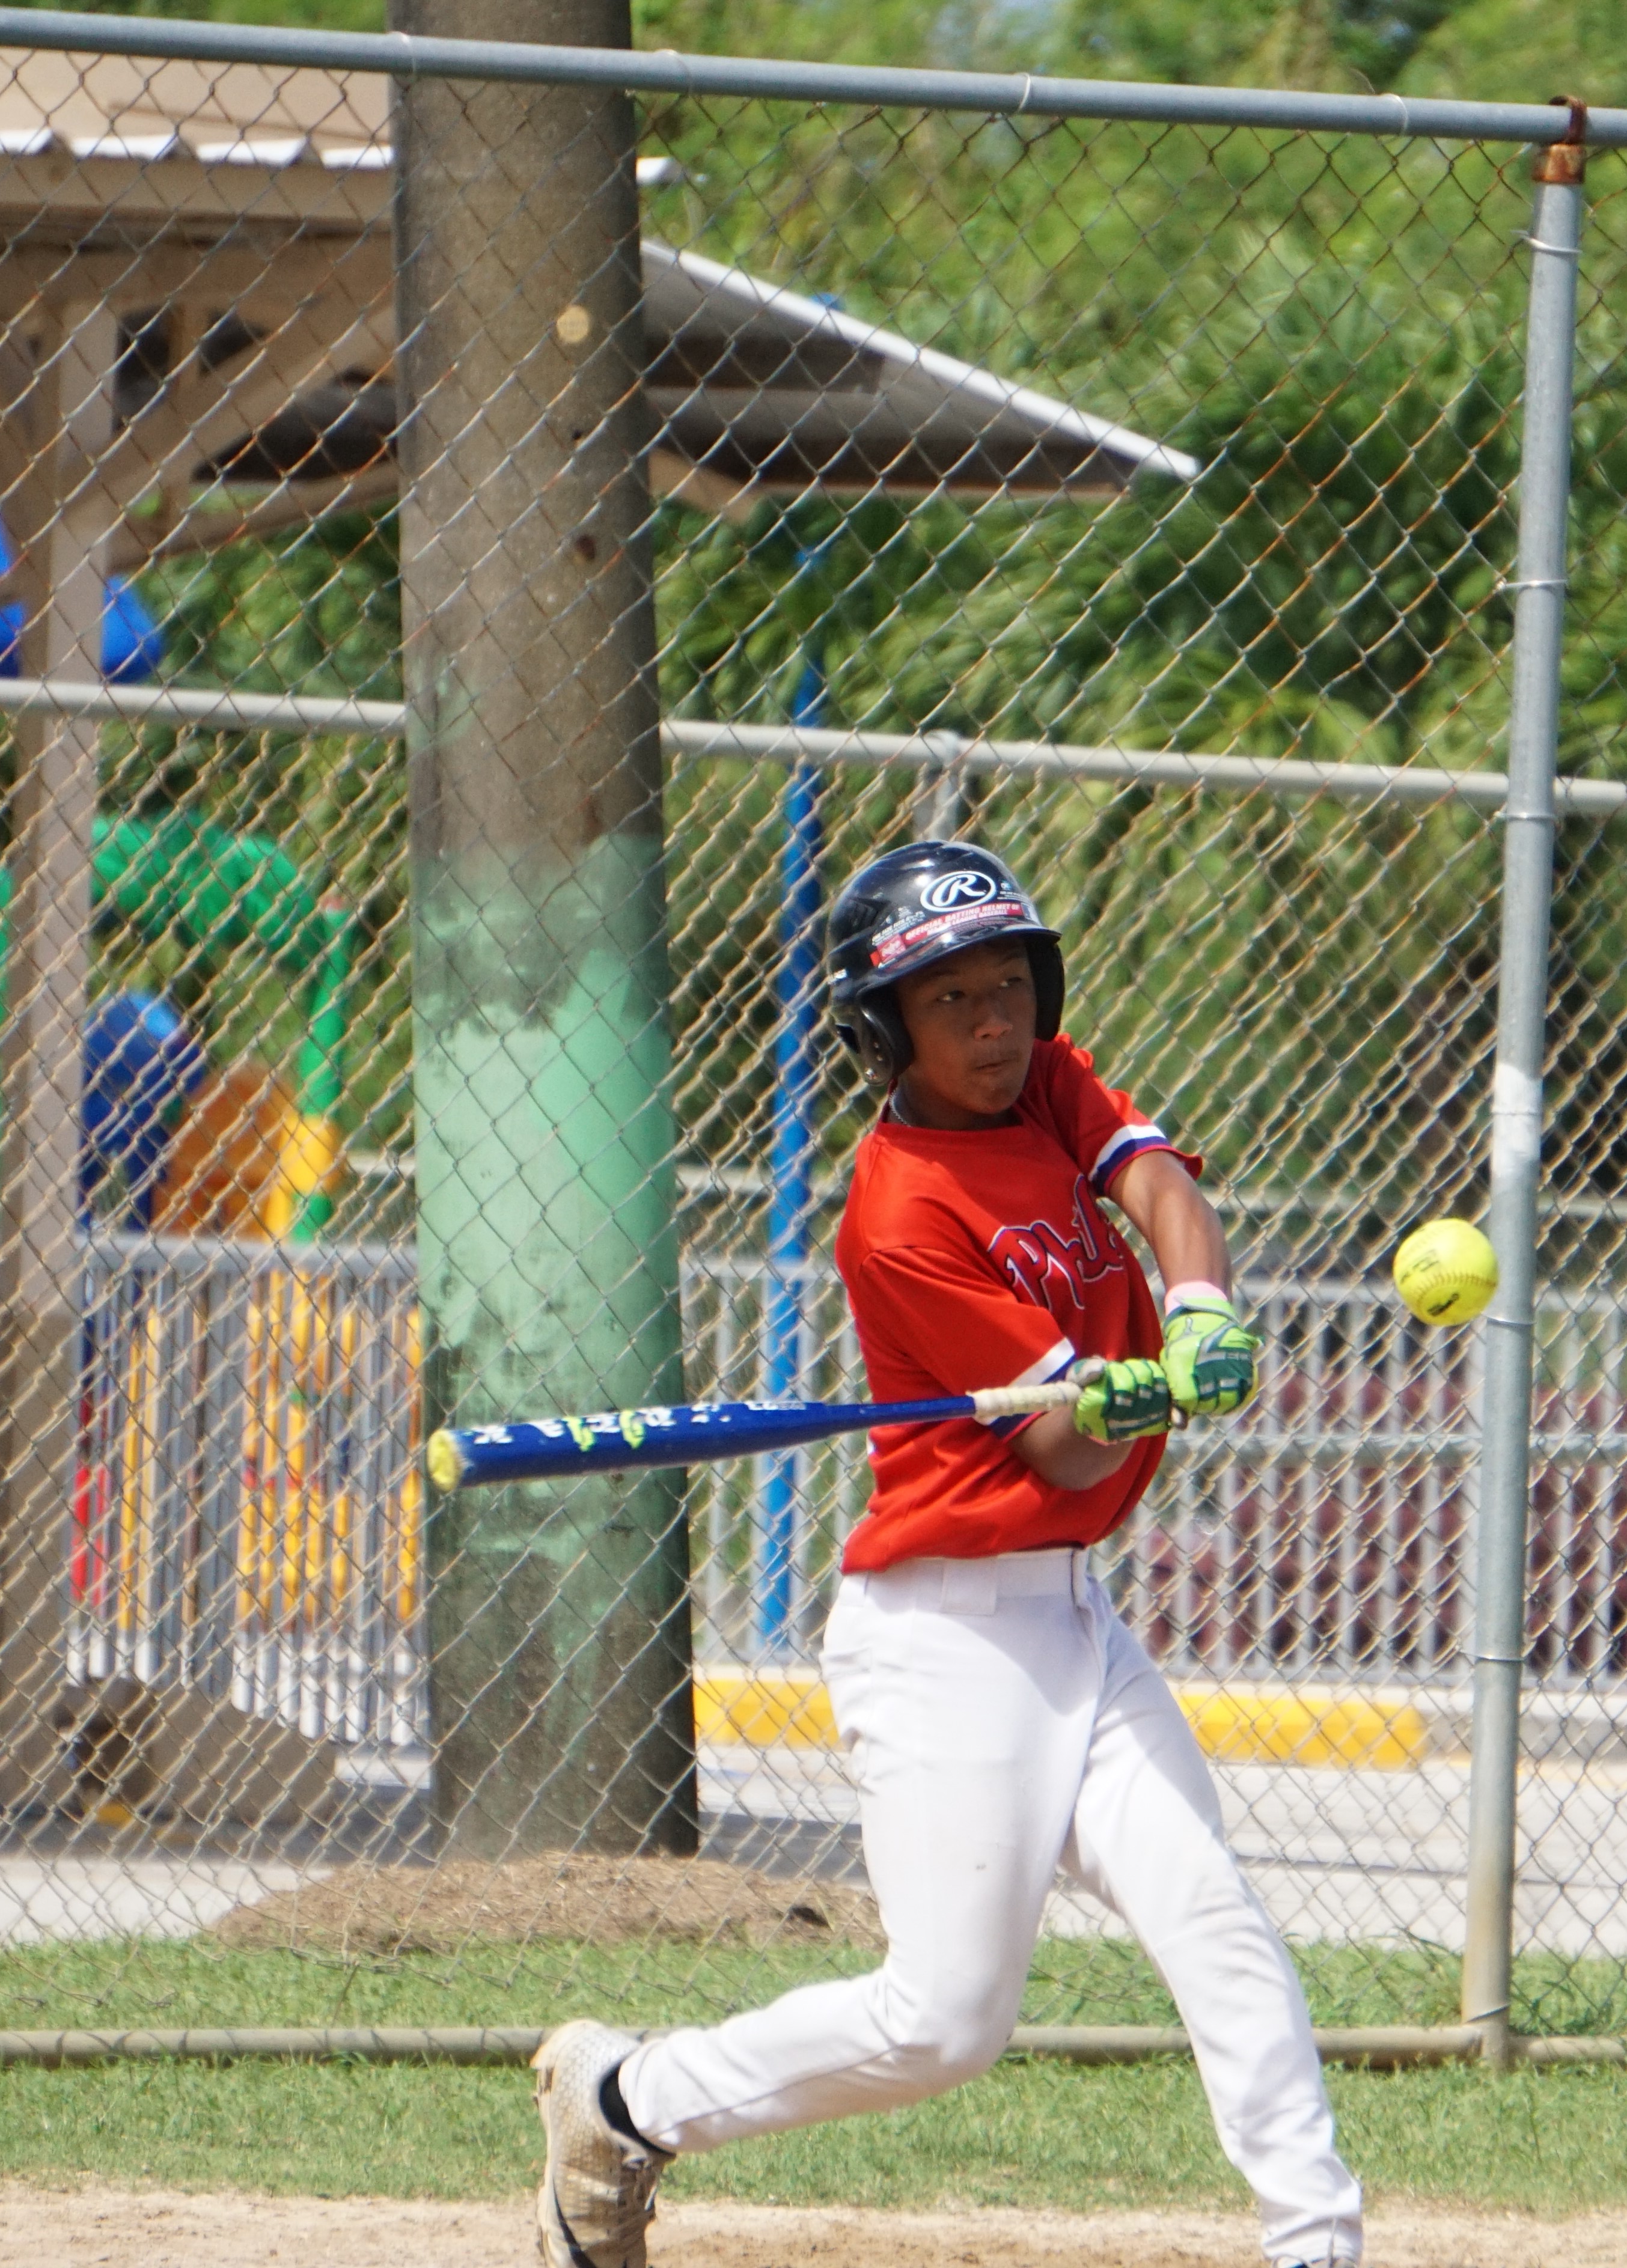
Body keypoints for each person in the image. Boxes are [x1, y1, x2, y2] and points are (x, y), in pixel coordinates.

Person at [532, 841, 1364, 2268]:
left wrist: (1201, 1308)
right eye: (951, 1001)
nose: (994, 1024)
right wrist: (1122, 1395)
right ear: (884, 1031)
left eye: (1007, 986)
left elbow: (1155, 1181)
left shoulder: (1040, 1080)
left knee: (1212, 1915)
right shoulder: (897, 1211)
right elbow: (1059, 1452)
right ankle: (629, 2097)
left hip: (1074, 1626)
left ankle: (1317, 2242)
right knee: (944, 2024)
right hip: (940, 1643)